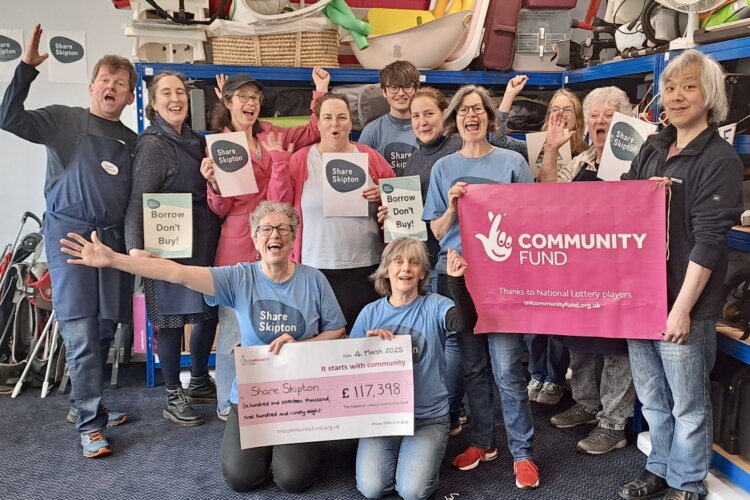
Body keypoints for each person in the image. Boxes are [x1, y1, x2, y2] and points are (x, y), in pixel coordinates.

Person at [61, 201, 347, 492]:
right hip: (254, 396)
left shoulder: (314, 280)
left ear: (293, 237)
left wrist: (302, 346)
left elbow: (337, 329)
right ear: (254, 238)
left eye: (283, 228)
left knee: (293, 480)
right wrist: (114, 260)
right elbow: (175, 272)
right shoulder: (238, 277)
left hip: (300, 396)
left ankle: (297, 445)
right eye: (266, 229)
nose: (275, 235)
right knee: (241, 478)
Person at [0, 24, 135, 458]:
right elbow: (8, 117)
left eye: (121, 84)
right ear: (92, 85)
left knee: (104, 330)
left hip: (111, 244)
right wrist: (25, 69)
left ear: (131, 96)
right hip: (69, 237)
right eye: (106, 81)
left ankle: (83, 405)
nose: (112, 88)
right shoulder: (64, 120)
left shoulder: (132, 142)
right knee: (79, 331)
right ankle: (91, 427)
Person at [618, 50, 743, 500]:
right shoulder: (652, 147)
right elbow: (622, 209)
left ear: (709, 95)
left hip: (682, 305)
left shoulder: (720, 159)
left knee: (689, 404)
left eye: (688, 86)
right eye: (670, 87)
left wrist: (682, 309)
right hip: (641, 299)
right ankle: (660, 467)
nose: (676, 96)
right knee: (653, 398)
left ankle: (686, 482)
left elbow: (710, 242)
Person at [423, 85, 539, 489]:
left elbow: (533, 224)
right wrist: (454, 207)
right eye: (463, 111)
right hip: (454, 277)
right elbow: (436, 232)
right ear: (454, 121)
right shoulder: (442, 169)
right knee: (472, 368)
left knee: (507, 367)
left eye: (478, 110)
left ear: (490, 118)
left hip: (503, 280)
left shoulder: (512, 161)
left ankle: (523, 453)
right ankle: (484, 443)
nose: (471, 116)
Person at [201, 68, 330, 421]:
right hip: (237, 245)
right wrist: (213, 186)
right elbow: (222, 208)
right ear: (227, 101)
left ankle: (272, 400)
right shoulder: (221, 145)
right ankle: (228, 406)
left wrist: (320, 91)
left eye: (256, 98)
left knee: (275, 324)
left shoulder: (273, 134)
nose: (252, 103)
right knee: (231, 334)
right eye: (243, 97)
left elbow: (313, 130)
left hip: (275, 243)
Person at [539, 86, 637, 455]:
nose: (600, 121)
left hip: (622, 272)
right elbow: (547, 193)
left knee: (617, 348)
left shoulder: (638, 163)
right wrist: (550, 149)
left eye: (610, 115)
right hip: (582, 271)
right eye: (595, 115)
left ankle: (613, 424)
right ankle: (586, 403)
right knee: (580, 342)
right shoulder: (581, 164)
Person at [124, 71, 221, 426]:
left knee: (206, 311)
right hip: (165, 239)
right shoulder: (153, 144)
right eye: (166, 93)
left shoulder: (196, 141)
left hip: (202, 235)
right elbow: (137, 200)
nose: (175, 98)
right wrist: (136, 249)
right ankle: (172, 392)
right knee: (168, 318)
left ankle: (198, 380)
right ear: (152, 103)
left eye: (180, 91)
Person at [351, 239, 477, 500]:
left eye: (414, 262)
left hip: (427, 418)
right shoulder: (369, 313)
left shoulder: (435, 304)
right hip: (382, 418)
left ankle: (420, 455)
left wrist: (456, 281)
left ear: (422, 273)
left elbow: (464, 322)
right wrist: (368, 348)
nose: (405, 268)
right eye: (398, 262)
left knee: (412, 492)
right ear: (387, 269)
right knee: (372, 489)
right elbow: (350, 369)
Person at [282, 93, 396, 330]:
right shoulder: (301, 160)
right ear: (318, 122)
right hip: (315, 269)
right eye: (328, 117)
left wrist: (385, 195)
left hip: (368, 268)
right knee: (321, 340)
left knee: (366, 340)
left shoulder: (370, 157)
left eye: (342, 117)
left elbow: (401, 200)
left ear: (350, 122)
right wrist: (278, 163)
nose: (335, 123)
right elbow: (279, 204)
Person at [358, 60, 420, 175]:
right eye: (394, 87)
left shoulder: (426, 129)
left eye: (407, 87)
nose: (401, 93)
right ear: (384, 92)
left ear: (416, 90)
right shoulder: (371, 132)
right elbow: (360, 175)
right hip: (382, 193)